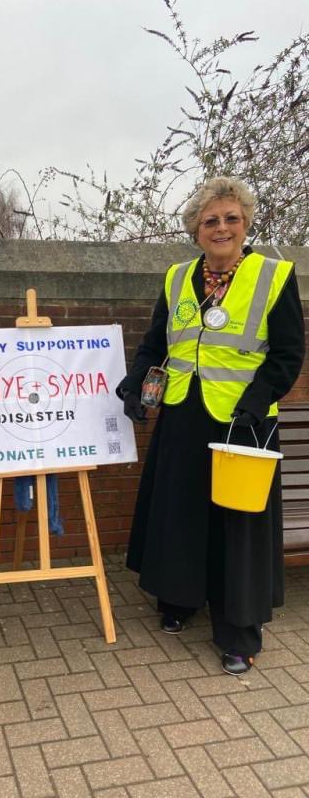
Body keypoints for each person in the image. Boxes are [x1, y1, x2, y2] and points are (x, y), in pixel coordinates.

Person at [117, 176, 305, 676]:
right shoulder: (178, 277)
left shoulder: (273, 275)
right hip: (183, 412)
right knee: (180, 512)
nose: (221, 228)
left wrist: (257, 399)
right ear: (195, 230)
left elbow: (288, 355)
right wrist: (136, 383)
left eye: (231, 219)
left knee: (237, 526)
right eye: (210, 221)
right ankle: (179, 599)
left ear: (245, 223)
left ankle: (239, 632)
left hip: (243, 420)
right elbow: (157, 343)